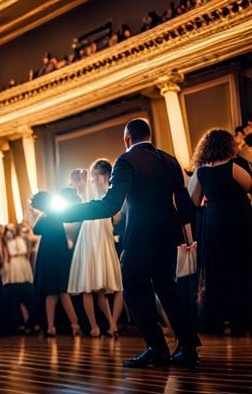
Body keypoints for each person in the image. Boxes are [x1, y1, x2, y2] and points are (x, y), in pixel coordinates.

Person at [50, 118, 199, 367]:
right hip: (168, 234)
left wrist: (67, 212)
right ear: (149, 136)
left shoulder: (126, 160)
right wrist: (189, 238)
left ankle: (157, 348)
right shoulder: (170, 160)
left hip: (140, 235)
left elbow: (110, 205)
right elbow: (184, 203)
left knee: (132, 286)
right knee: (167, 289)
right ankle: (189, 348)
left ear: (127, 139)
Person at [187, 129, 252, 335]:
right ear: (228, 145)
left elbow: (193, 202)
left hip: (213, 222)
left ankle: (220, 319)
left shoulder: (201, 172)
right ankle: (242, 318)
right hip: (239, 218)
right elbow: (250, 185)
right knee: (241, 267)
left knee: (217, 270)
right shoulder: (235, 165)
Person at [67, 159, 125, 337]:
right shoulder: (88, 190)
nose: (94, 179)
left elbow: (119, 216)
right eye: (92, 176)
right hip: (90, 235)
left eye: (96, 175)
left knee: (106, 286)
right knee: (89, 284)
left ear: (105, 175)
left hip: (103, 235)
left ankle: (112, 324)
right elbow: (77, 185)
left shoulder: (114, 191)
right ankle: (95, 327)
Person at [30, 190, 81, 337]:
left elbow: (36, 230)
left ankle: (55, 327)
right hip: (58, 255)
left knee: (55, 293)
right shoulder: (56, 215)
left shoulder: (47, 217)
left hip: (50, 255)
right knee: (58, 292)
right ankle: (72, 325)